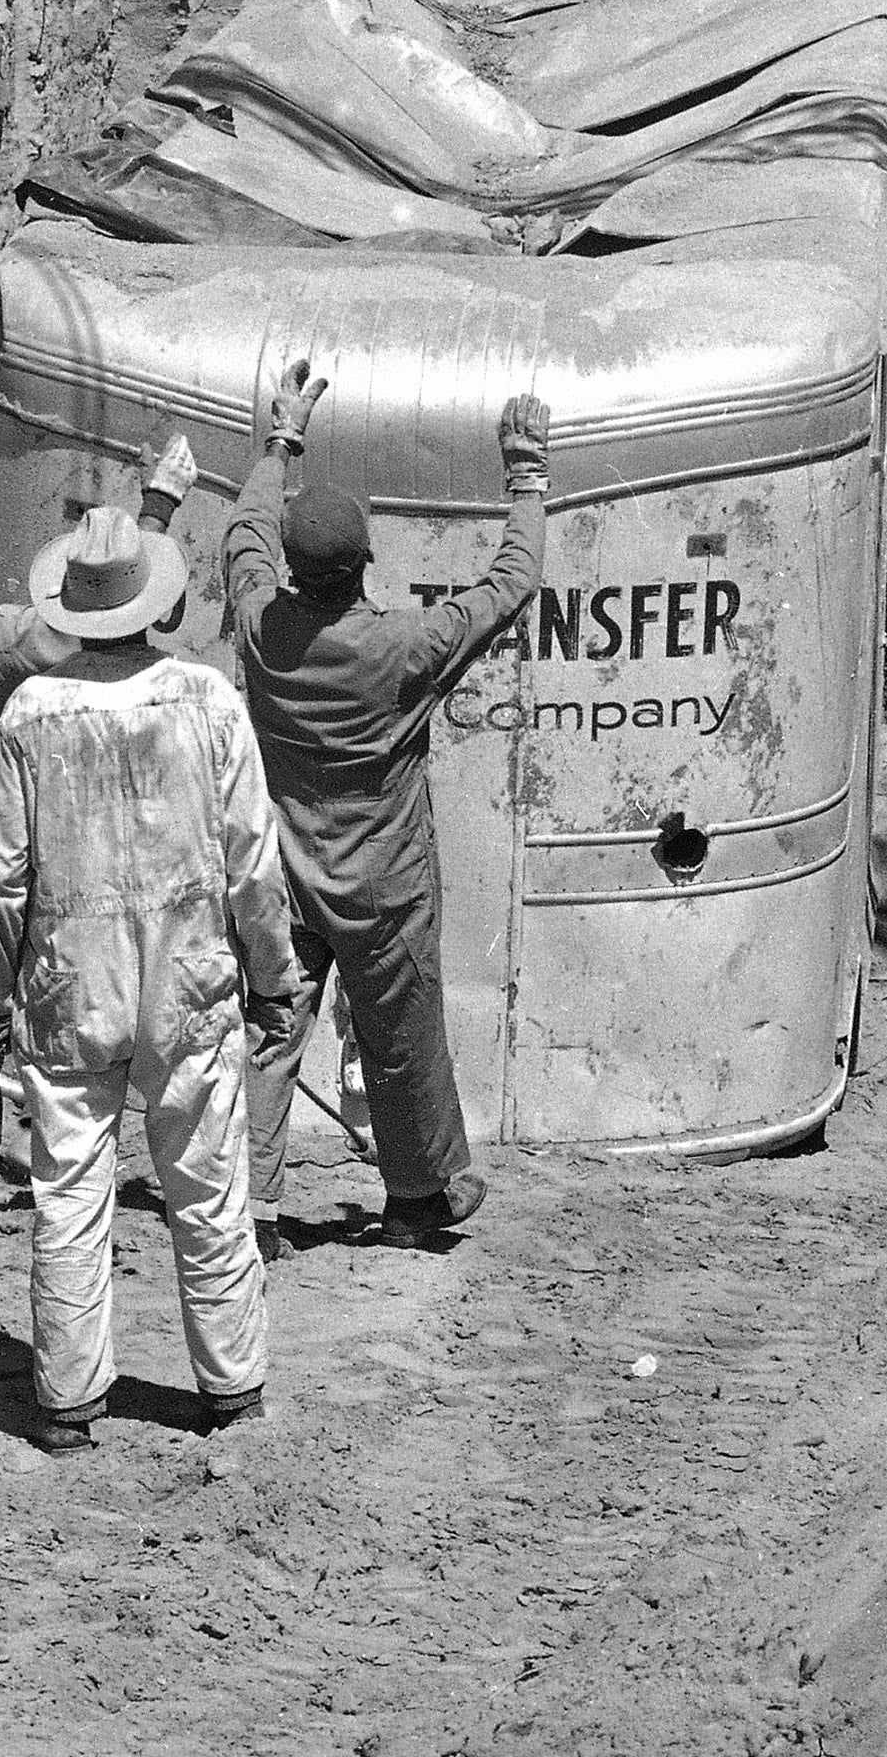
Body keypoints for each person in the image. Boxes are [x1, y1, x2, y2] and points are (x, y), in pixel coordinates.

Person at [0, 504, 298, 1453]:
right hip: (188, 981)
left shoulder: (31, 711)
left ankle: (70, 1396)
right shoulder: (206, 701)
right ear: (158, 600)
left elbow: (1, 879)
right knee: (208, 1183)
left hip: (71, 984)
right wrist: (272, 973)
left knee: (69, 1189)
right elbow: (251, 862)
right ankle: (230, 1385)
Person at [224, 362, 551, 1253]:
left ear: (294, 567)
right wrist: (525, 476)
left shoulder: (259, 627)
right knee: (401, 1036)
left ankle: (247, 1210)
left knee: (271, 1032)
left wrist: (281, 440)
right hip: (386, 887)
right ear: (363, 563)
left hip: (284, 878)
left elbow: (244, 535)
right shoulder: (402, 649)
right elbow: (509, 584)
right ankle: (415, 1199)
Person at [0, 437, 198, 1171]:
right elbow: (97, 612)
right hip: (12, 818)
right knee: (42, 967)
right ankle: (52, 1136)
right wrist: (158, 507)